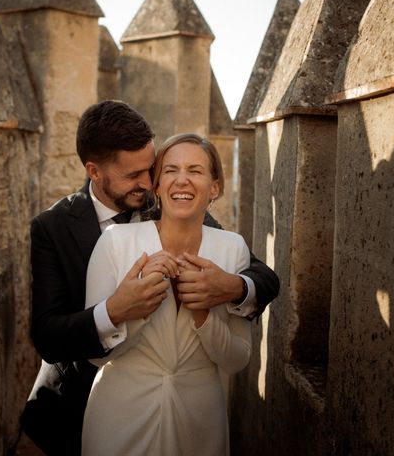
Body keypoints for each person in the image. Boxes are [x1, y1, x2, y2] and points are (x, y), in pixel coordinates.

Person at [22, 100, 279, 455]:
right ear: (94, 171)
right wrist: (114, 310)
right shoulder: (52, 227)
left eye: (151, 168)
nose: (148, 182)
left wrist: (232, 287)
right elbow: (48, 336)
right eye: (134, 175)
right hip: (70, 403)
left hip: (187, 410)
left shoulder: (166, 202)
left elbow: (261, 275)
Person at [82, 133, 250, 455]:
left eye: (195, 170)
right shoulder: (115, 242)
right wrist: (133, 307)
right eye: (170, 170)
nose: (181, 180)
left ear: (214, 187)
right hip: (119, 413)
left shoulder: (233, 248)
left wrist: (204, 316)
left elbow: (237, 359)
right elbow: (94, 354)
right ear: (157, 186)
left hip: (199, 418)